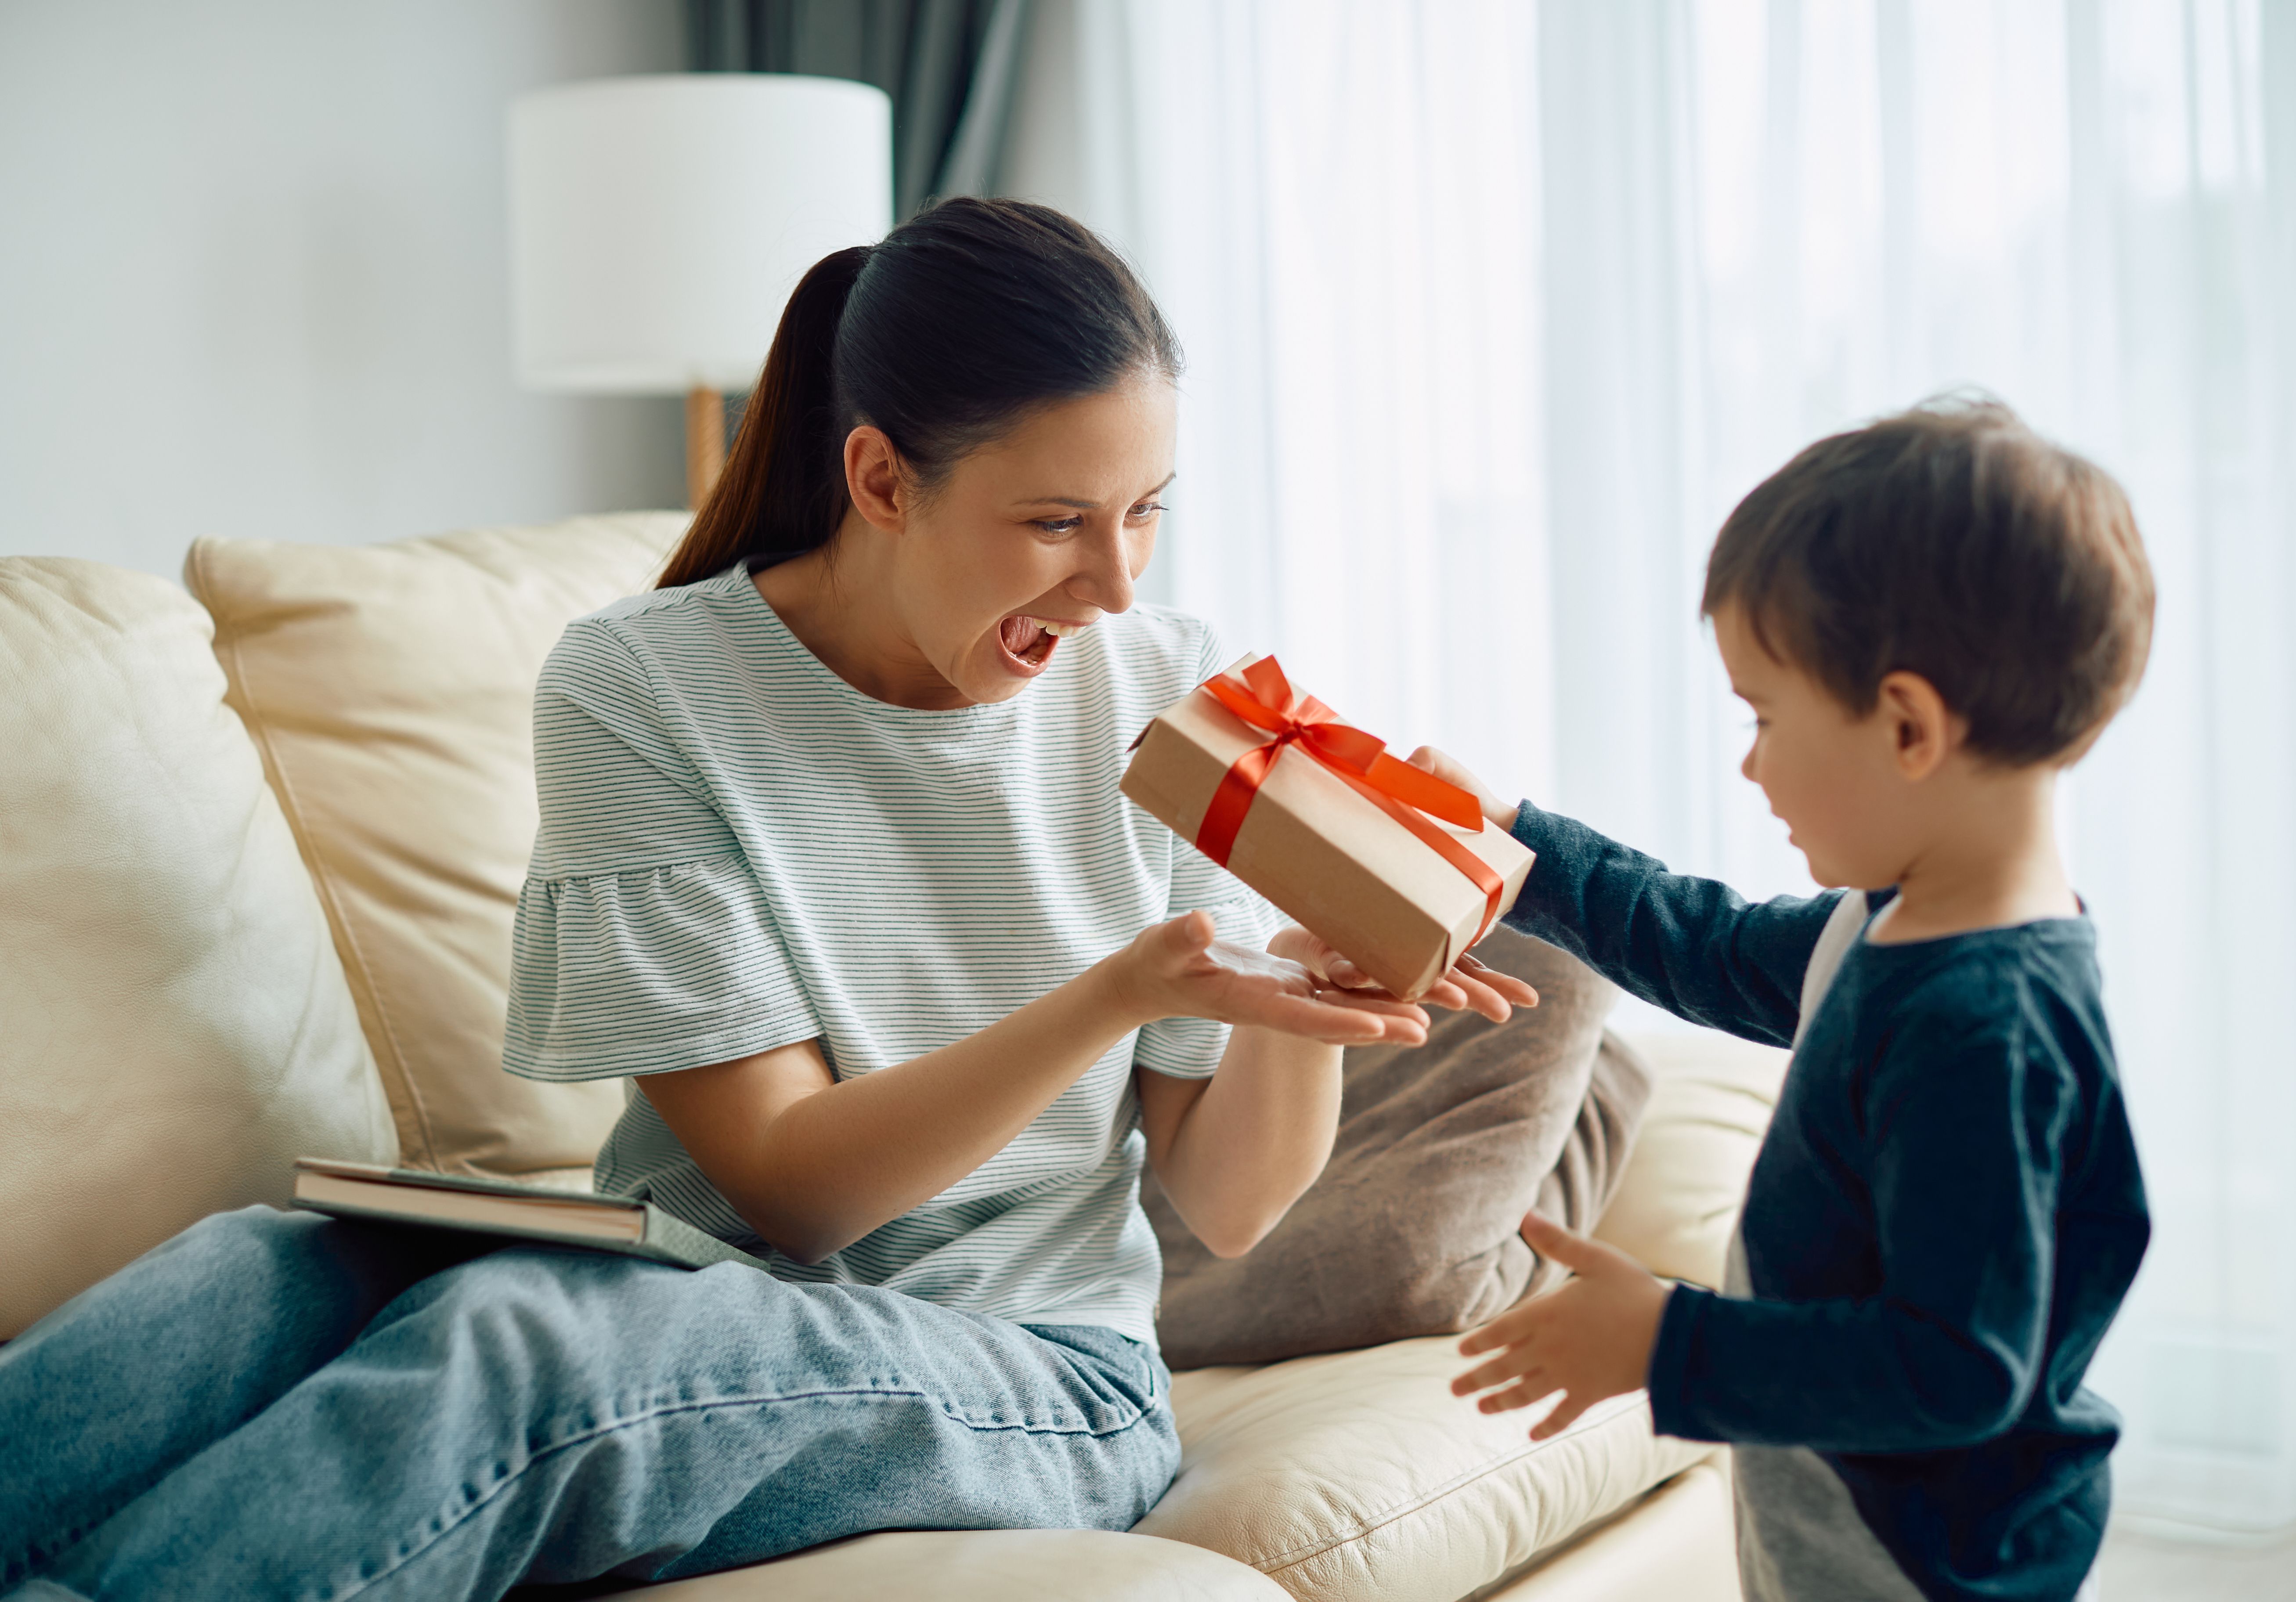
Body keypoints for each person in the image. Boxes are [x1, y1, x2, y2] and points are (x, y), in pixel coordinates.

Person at [0, 198, 1535, 1601]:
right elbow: (794, 1192)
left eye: (1148, 512)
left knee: (520, 1346)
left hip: (1044, 1374)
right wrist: (1119, 991)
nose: (1116, 589)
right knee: (254, 1275)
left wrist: (1309, 1001)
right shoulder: (645, 686)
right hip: (693, 1280)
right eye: (1058, 522)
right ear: (879, 476)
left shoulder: (1170, 697)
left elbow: (1231, 1202)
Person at [1436, 400, 2153, 1602]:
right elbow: (1706, 945)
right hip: (1843, 1518)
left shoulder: (1984, 1026)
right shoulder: (1892, 920)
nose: (1750, 762)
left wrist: (1670, 1341)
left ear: (1909, 726)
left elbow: (1960, 1366)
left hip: (1927, 1560)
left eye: (1765, 717)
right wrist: (1519, 844)